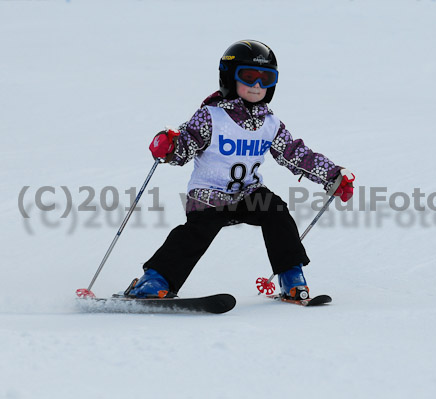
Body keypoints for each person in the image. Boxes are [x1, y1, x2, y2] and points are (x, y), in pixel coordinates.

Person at [128, 40, 355, 300]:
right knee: (196, 233)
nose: (257, 86)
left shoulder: (270, 124)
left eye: (266, 78)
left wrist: (332, 175)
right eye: (248, 76)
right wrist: (170, 146)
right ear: (229, 76)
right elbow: (186, 143)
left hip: (248, 193)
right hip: (208, 195)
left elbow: (295, 154)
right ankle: (156, 279)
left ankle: (291, 275)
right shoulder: (211, 116)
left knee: (277, 213)